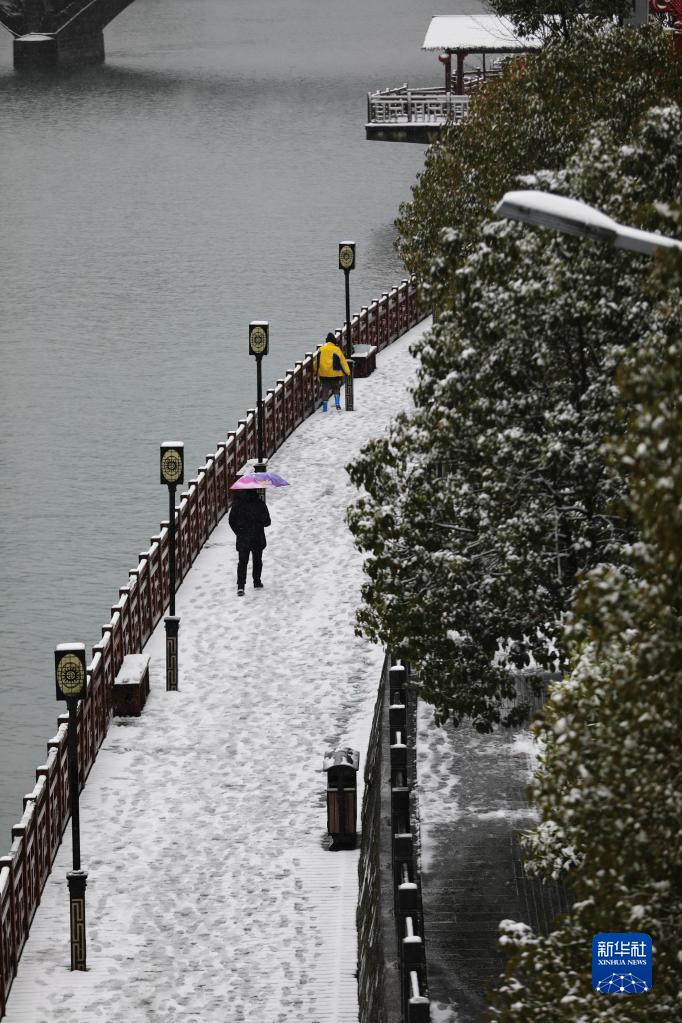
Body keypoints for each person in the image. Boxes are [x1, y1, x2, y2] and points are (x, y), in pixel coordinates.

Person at [228, 488, 271, 596]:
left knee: (242, 562)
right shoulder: (260, 504)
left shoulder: (238, 504)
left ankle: (241, 586)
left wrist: (238, 532)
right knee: (257, 560)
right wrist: (259, 521)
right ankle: (257, 581)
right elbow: (267, 522)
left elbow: (231, 520)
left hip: (243, 538)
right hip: (257, 537)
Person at [317, 331, 350, 412]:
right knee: (336, 388)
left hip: (323, 374)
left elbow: (316, 362)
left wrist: (316, 371)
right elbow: (343, 362)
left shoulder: (321, 349)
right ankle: (338, 405)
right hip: (335, 373)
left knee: (325, 390)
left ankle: (325, 408)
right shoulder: (336, 349)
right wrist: (348, 372)